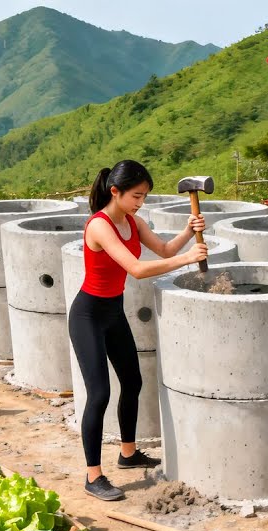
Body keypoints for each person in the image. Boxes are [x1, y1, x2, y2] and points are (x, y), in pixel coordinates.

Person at [71, 160, 208, 501]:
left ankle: (128, 454)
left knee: (132, 381)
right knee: (99, 393)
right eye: (135, 195)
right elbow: (136, 268)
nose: (140, 202)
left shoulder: (134, 221)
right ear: (114, 191)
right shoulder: (100, 226)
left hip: (113, 312)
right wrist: (188, 258)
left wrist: (189, 232)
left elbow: (163, 250)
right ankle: (93, 476)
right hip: (87, 315)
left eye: (144, 196)